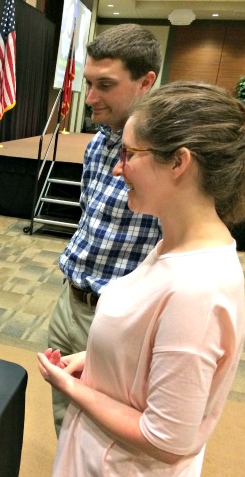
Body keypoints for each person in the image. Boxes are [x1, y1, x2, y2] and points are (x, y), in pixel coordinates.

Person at [39, 82, 245, 477]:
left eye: (129, 154)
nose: (117, 167)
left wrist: (74, 388)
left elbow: (164, 438)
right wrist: (96, 362)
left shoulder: (198, 288)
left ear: (179, 162)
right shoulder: (172, 247)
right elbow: (148, 353)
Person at [48, 23, 163, 435]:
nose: (90, 98)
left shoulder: (167, 156)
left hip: (121, 318)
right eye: (88, 83)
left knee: (107, 432)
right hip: (71, 301)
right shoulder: (99, 142)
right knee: (66, 421)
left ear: (145, 82)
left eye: (105, 85)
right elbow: (88, 217)